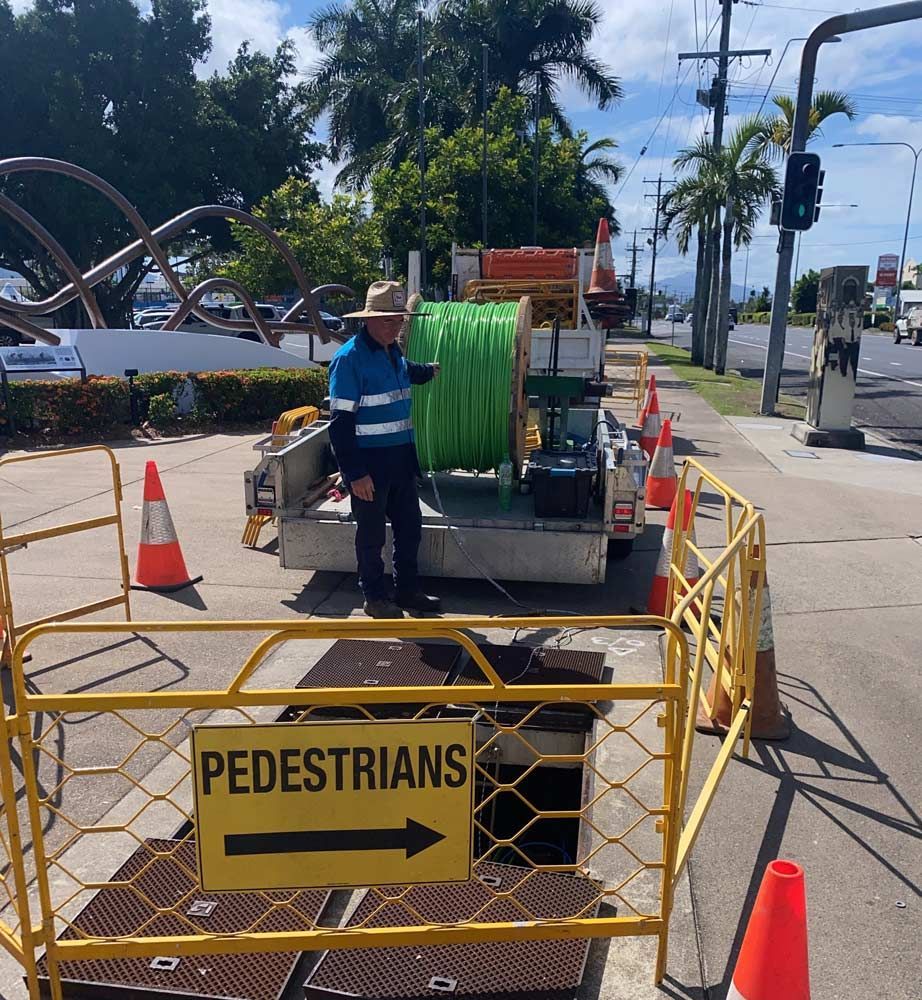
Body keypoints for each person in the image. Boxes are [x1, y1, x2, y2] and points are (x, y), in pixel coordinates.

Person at [328, 281, 441, 618]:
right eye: (389, 320)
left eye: (400, 320)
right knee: (372, 537)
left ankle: (407, 591)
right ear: (369, 320)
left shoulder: (393, 353)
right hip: (370, 466)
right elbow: (340, 424)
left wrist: (430, 371)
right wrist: (354, 473)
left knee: (410, 530)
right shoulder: (349, 359)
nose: (396, 326)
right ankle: (374, 597)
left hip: (402, 461)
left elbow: (407, 374)